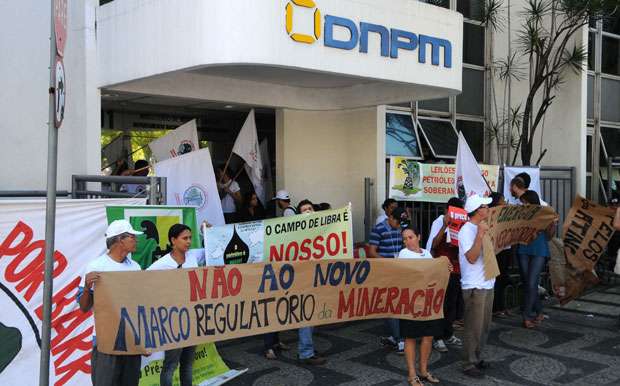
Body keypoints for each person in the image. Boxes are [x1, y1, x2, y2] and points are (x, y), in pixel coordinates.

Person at [77, 220, 144, 386]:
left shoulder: (135, 267)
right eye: (132, 237)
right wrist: (86, 287)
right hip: (105, 339)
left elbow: (141, 305)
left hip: (130, 338)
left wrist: (144, 340)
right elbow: (84, 307)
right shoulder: (97, 266)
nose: (136, 240)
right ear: (120, 240)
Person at [146, 224, 198, 386]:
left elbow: (213, 248)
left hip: (192, 320)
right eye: (184, 238)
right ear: (173, 240)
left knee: (188, 365)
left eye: (190, 238)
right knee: (170, 365)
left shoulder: (193, 257)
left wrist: (206, 232)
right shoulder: (161, 264)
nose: (188, 242)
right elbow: (143, 283)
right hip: (173, 322)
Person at [399, 226, 446, 385]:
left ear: (418, 237)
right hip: (410, 302)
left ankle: (423, 370)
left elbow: (434, 272)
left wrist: (445, 268)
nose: (407, 241)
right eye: (404, 239)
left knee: (428, 336)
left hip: (428, 301)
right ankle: (412, 374)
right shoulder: (404, 253)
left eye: (410, 237)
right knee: (410, 337)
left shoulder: (426, 253)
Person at [458, 194, 495, 378]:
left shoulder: (484, 226)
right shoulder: (466, 230)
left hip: (487, 282)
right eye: (485, 206)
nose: (488, 209)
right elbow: (471, 258)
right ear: (477, 210)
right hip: (474, 284)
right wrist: (480, 235)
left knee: (484, 326)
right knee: (473, 326)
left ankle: (477, 357)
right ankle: (468, 362)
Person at [426, 197, 464, 353]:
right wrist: (444, 226)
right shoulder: (439, 222)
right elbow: (433, 245)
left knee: (451, 304)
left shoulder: (463, 225)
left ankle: (448, 333)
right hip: (441, 269)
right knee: (440, 304)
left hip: (455, 269)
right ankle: (437, 337)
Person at [368, 206, 408, 353]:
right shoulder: (379, 229)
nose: (398, 226)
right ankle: (397, 338)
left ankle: (396, 336)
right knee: (388, 306)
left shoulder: (402, 228)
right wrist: (387, 262)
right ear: (390, 217)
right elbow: (371, 251)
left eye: (400, 224)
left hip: (400, 272)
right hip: (385, 271)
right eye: (397, 222)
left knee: (399, 305)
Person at [517, 190, 556, 328]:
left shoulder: (544, 212)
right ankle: (539, 311)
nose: (522, 205)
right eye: (522, 203)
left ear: (531, 202)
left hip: (539, 250)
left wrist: (551, 224)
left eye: (525, 202)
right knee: (528, 283)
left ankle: (526, 316)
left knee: (532, 283)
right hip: (523, 249)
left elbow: (550, 236)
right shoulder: (519, 213)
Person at [489, 192, 513, 318]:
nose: (504, 201)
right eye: (502, 199)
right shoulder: (492, 214)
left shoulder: (506, 213)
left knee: (503, 278)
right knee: (498, 279)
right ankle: (496, 308)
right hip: (497, 251)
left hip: (507, 248)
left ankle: (501, 306)